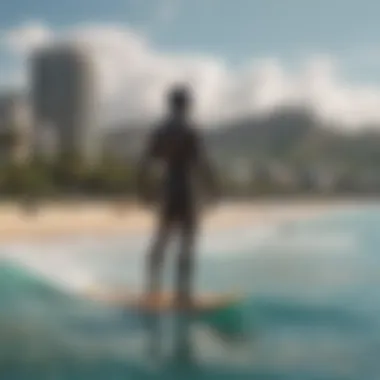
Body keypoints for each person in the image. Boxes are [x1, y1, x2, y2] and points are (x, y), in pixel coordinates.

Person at [137, 84, 218, 307]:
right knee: (187, 243)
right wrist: (214, 190)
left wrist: (144, 192)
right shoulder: (191, 130)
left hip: (168, 189)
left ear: (170, 104)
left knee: (161, 240)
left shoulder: (160, 131)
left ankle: (152, 290)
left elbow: (144, 163)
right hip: (189, 190)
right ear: (187, 105)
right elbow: (203, 163)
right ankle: (183, 295)